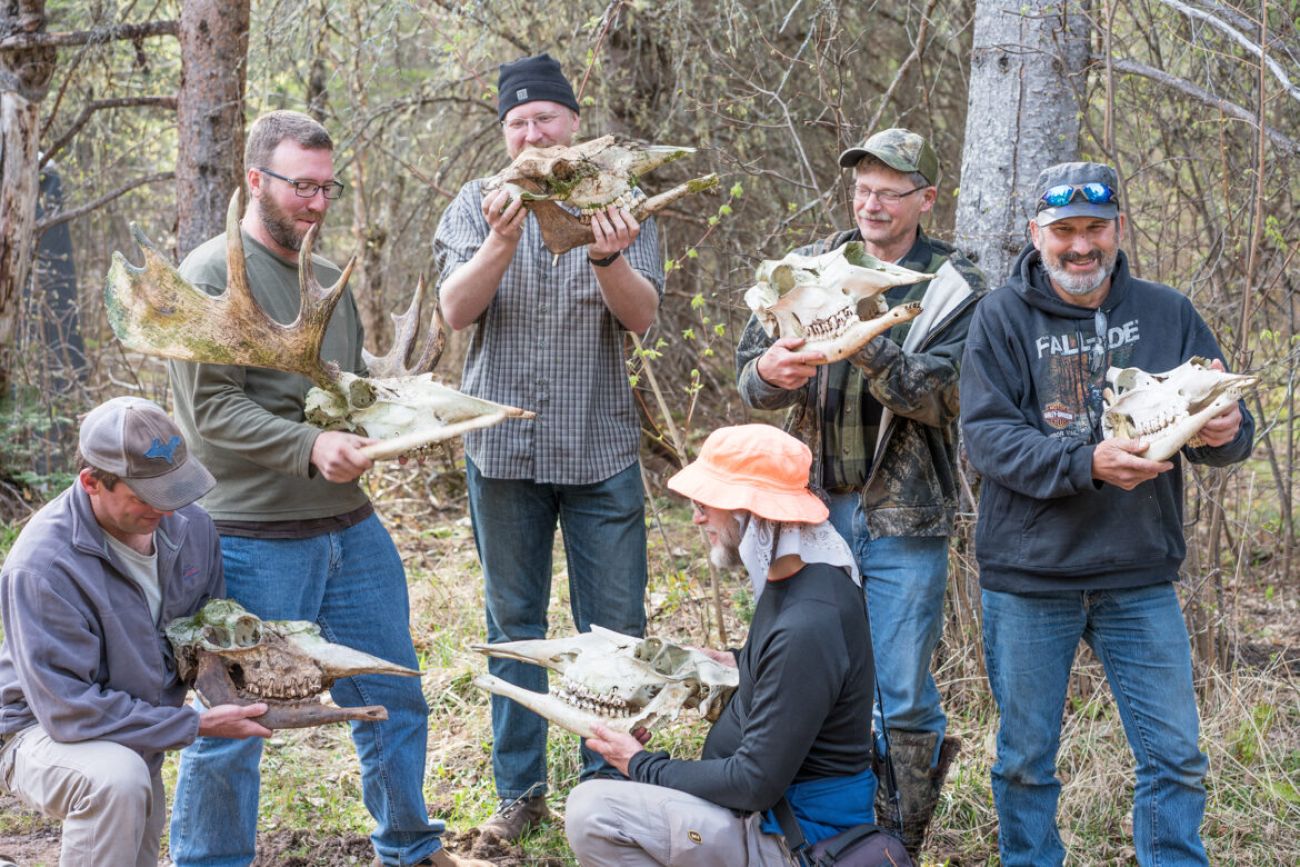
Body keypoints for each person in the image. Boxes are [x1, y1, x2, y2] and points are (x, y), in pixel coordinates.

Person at [167, 110, 484, 867]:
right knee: (240, 717)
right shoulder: (212, 275)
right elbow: (209, 414)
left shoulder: (322, 274)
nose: (316, 202)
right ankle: (209, 861)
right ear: (255, 180)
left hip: (351, 531)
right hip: (252, 539)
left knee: (396, 692)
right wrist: (313, 447)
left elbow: (336, 389)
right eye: (301, 186)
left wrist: (398, 415)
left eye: (327, 188)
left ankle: (410, 844)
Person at [959, 161, 1254, 866]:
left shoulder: (1167, 312)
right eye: (1065, 231)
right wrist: (1085, 462)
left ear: (1118, 228)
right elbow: (988, 439)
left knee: (1176, 756)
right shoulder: (1001, 318)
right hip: (1031, 577)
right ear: (1037, 233)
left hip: (1138, 573)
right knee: (1026, 762)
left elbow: (1230, 426)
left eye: (1095, 228)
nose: (1081, 246)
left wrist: (1225, 431)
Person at [433, 53, 664, 842]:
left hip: (599, 449)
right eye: (517, 124)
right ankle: (520, 792)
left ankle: (610, 785)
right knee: (515, 624)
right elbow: (454, 313)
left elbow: (642, 318)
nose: (532, 133)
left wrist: (607, 256)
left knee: (614, 631)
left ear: (573, 122)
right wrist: (499, 244)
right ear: (506, 137)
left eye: (545, 119)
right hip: (503, 455)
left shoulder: (620, 199)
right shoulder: (476, 203)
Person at [735, 127, 984, 852]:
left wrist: (857, 330)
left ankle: (895, 841)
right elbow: (750, 373)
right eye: (863, 188)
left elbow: (940, 398)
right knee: (809, 678)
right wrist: (770, 374)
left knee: (900, 687)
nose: (872, 204)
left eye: (890, 191)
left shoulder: (955, 285)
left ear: (926, 199)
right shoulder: (810, 267)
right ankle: (822, 837)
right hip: (811, 511)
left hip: (905, 516)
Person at [563, 423, 875, 865]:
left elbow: (753, 784)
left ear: (751, 511)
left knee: (592, 810)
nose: (697, 516)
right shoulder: (803, 579)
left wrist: (639, 764)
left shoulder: (808, 625)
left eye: (708, 502)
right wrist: (733, 662)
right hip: (771, 818)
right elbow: (788, 677)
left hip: (795, 841)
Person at [0, 396, 272, 867]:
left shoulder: (194, 528)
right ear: (91, 483)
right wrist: (195, 723)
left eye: (175, 489)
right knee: (117, 779)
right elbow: (69, 711)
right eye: (147, 496)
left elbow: (203, 639)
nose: (167, 510)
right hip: (38, 730)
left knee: (132, 821)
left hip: (134, 729)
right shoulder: (43, 567)